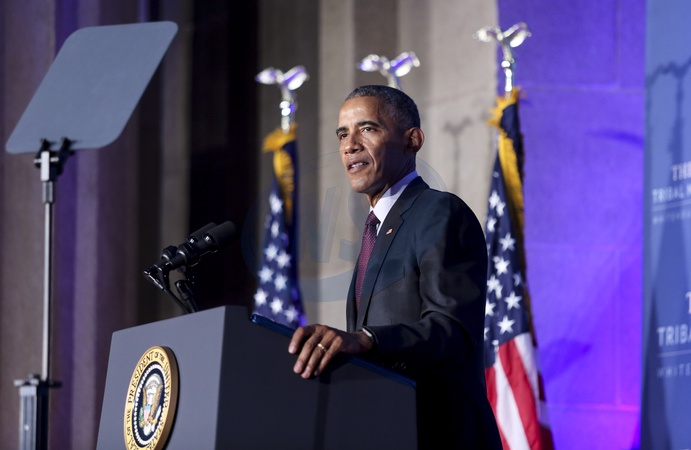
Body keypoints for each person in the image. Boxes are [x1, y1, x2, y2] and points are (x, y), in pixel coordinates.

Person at [288, 85, 502, 449]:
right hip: (390, 430)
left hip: (441, 435)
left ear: (412, 140)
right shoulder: (376, 230)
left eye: (367, 129)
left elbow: (452, 331)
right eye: (342, 134)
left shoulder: (438, 212)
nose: (350, 145)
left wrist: (365, 339)